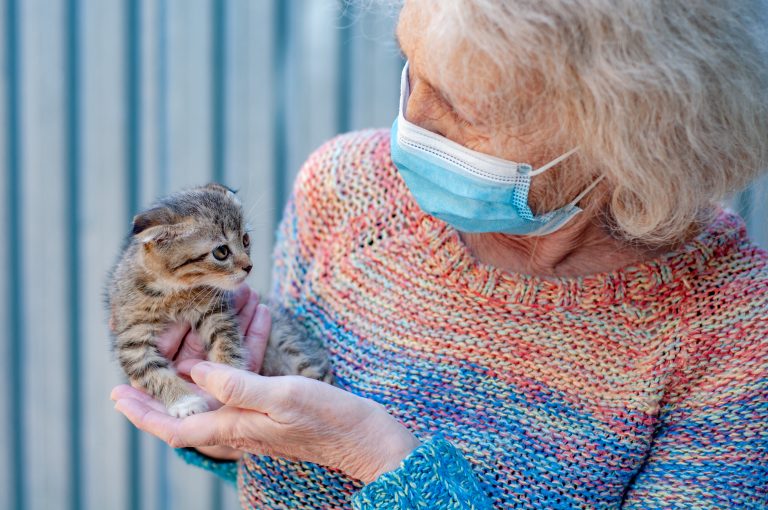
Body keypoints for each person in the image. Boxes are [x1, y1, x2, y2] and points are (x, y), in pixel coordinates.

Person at [111, 0, 768, 508]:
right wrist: (236, 432)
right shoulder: (345, 192)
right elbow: (278, 466)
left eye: (459, 105)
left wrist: (378, 459)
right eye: (410, 68)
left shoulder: (733, 327)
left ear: (627, 132)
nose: (410, 123)